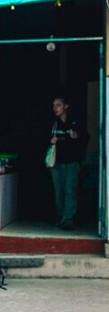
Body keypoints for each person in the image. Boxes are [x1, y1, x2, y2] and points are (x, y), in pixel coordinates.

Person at [49, 97, 88, 231]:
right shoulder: (53, 123)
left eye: (58, 105)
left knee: (70, 191)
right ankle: (61, 218)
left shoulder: (75, 122)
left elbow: (85, 138)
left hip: (72, 162)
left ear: (66, 106)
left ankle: (68, 219)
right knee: (58, 192)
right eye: (54, 105)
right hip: (56, 163)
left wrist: (66, 138)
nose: (55, 108)